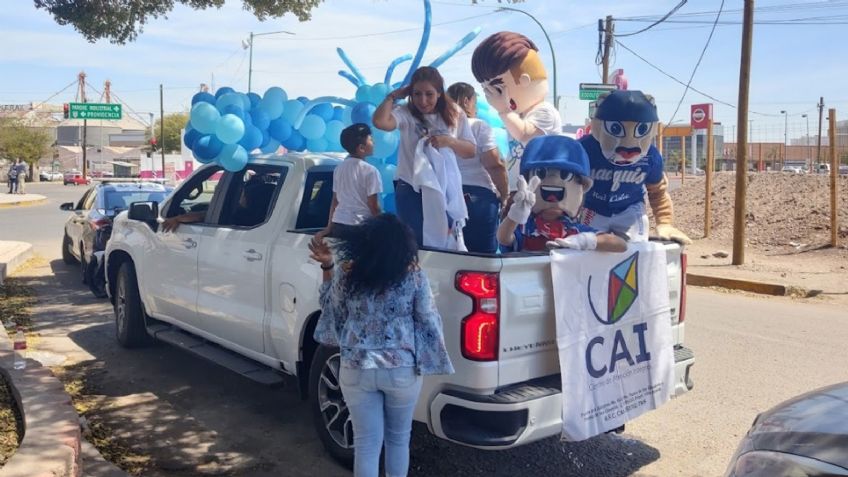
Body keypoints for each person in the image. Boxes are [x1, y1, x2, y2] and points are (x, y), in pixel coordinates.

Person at [309, 214, 454, 477]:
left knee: (366, 444)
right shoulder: (414, 277)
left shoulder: (348, 273)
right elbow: (428, 319)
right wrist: (432, 357)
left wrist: (327, 266)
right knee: (398, 440)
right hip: (401, 370)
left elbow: (331, 309)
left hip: (355, 368)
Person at [373, 66, 476, 247]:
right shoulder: (406, 112)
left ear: (439, 93)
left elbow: (470, 151)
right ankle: (415, 275)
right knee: (414, 244)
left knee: (444, 242)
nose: (423, 100)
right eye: (417, 94)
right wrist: (392, 96)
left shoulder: (454, 113)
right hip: (411, 187)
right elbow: (380, 122)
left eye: (429, 94)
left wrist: (450, 142)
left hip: (444, 188)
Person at [471, 32, 563, 187]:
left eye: (497, 86)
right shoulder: (519, 115)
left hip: (540, 191)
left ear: (524, 79)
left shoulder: (545, 111)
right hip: (519, 189)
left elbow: (524, 134)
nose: (491, 94)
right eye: (486, 88)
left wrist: (504, 111)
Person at [446, 82, 509, 253]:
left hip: (446, 197)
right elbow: (495, 164)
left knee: (449, 255)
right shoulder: (479, 126)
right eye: (474, 101)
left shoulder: (440, 128)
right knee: (481, 259)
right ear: (466, 101)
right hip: (477, 197)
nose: (476, 107)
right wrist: (504, 195)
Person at [318, 123, 382, 240]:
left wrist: (329, 227)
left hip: (339, 223)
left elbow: (335, 200)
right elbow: (373, 205)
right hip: (360, 226)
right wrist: (383, 226)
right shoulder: (371, 171)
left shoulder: (339, 169)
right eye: (371, 140)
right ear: (362, 148)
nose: (374, 143)